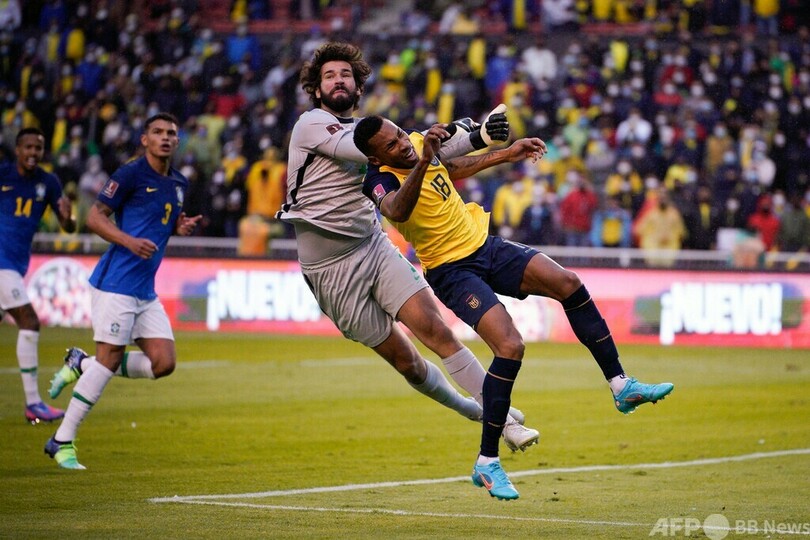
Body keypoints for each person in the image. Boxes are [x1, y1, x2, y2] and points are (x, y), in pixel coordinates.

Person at [354, 115, 675, 501]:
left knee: (568, 283)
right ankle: (487, 462)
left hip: (485, 247)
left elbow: (450, 167)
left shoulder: (422, 143)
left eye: (400, 135)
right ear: (374, 158)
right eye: (390, 146)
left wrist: (506, 154)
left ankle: (621, 385)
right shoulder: (378, 180)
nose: (402, 144)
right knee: (510, 346)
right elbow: (397, 210)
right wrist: (423, 160)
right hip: (451, 271)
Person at [275, 42, 540, 453]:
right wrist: (466, 135)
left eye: (345, 74)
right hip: (328, 269)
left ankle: (499, 417)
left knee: (436, 330)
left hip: (372, 246)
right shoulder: (312, 125)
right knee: (408, 363)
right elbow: (387, 149)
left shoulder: (375, 131)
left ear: (358, 85)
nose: (338, 80)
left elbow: (411, 151)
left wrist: (477, 137)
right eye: (329, 76)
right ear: (317, 89)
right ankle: (468, 408)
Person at [44, 113, 202, 469]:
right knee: (111, 358)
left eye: (171, 134)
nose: (165, 138)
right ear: (144, 139)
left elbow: (163, 219)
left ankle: (80, 363)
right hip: (115, 283)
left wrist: (180, 225)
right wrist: (128, 241)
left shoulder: (178, 183)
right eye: (157, 132)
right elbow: (95, 217)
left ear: (177, 142)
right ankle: (61, 439)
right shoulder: (130, 174)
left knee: (164, 363)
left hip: (144, 290)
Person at [1, 127, 75, 424]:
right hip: (2, 263)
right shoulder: (3, 175)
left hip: (16, 265)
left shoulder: (49, 182)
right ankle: (33, 403)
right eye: (28, 147)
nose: (33, 153)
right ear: (18, 150)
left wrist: (69, 217)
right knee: (29, 322)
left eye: (38, 148)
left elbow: (68, 228)